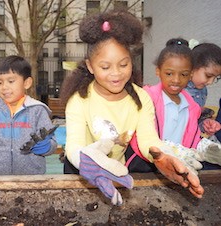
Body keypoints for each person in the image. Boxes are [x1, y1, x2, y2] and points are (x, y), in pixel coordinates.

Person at [59, 10, 204, 205]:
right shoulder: (79, 100)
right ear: (91, 66)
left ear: (131, 61)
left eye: (123, 64)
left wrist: (163, 156)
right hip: (80, 174)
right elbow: (74, 145)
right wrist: (88, 162)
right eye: (105, 67)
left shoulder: (141, 98)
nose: (116, 73)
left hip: (117, 173)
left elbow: (148, 139)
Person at [129, 38, 221, 172]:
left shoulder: (191, 107)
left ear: (190, 74)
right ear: (158, 71)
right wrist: (165, 153)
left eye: (183, 74)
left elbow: (192, 137)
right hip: (146, 166)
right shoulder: (147, 97)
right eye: (169, 73)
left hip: (176, 168)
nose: (176, 80)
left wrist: (203, 146)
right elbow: (139, 136)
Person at [0, 55, 58, 175]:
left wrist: (46, 146)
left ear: (27, 83)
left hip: (31, 180)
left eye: (11, 81)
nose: (4, 87)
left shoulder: (37, 110)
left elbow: (53, 143)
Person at [185, 42, 221, 137]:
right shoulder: (178, 88)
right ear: (192, 68)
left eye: (216, 78)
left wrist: (205, 125)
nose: (210, 82)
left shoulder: (202, 91)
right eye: (208, 76)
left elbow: (195, 120)